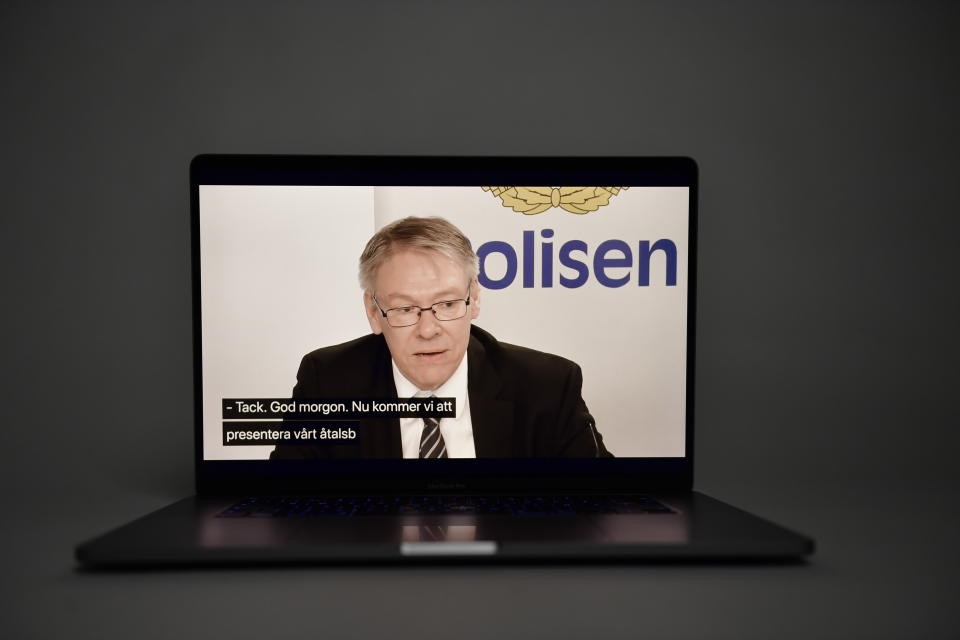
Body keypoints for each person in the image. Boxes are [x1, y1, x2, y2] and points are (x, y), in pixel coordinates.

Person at [270, 216, 611, 459]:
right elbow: (284, 503)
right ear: (374, 312)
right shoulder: (327, 380)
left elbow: (601, 502)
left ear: (474, 299)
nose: (429, 329)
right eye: (404, 309)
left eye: (447, 304)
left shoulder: (547, 385)